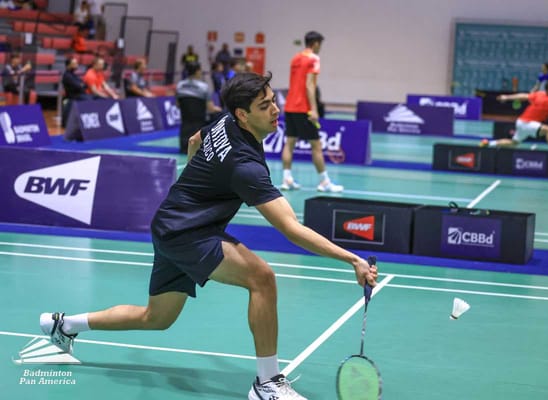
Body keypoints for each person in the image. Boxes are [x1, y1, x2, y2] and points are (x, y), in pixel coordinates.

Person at [39, 72, 378, 400]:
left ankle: (64, 325)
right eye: (265, 106)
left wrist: (194, 187)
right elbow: (291, 228)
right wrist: (353, 258)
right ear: (243, 115)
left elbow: (194, 141)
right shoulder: (245, 167)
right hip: (188, 232)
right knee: (263, 278)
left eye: (274, 101)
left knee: (155, 318)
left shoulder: (224, 120)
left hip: (170, 223)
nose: (276, 110)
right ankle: (267, 383)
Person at [282, 31, 343, 192]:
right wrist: (314, 109)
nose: (320, 48)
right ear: (315, 43)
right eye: (320, 44)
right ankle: (324, 182)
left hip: (289, 106)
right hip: (303, 108)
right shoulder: (314, 58)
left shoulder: (295, 58)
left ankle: (286, 179)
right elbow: (310, 85)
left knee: (290, 143)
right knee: (316, 145)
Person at [175, 61, 221, 154]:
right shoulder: (204, 87)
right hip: (200, 120)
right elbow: (210, 109)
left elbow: (177, 105)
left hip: (185, 119)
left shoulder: (179, 85)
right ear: (197, 71)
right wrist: (219, 109)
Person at [61, 56, 93, 125]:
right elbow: (79, 86)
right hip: (73, 96)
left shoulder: (74, 75)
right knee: (89, 99)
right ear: (68, 65)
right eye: (74, 64)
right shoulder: (67, 76)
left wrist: (82, 85)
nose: (77, 65)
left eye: (76, 63)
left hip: (80, 95)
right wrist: (81, 85)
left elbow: (85, 85)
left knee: (93, 97)